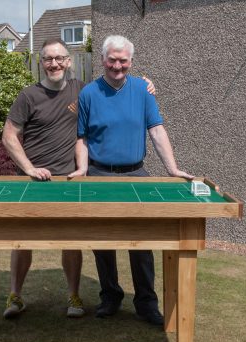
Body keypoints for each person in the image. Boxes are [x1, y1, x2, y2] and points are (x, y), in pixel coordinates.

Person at [2, 38, 156, 320]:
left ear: (69, 61)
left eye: (60, 58)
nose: (54, 63)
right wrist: (27, 168)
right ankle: (15, 295)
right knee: (21, 240)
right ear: (41, 62)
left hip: (69, 179)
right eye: (48, 59)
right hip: (34, 180)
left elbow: (115, 83)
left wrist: (144, 83)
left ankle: (74, 296)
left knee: (71, 240)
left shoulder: (82, 90)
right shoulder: (28, 96)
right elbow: (9, 136)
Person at [73, 35, 194, 326]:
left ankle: (146, 303)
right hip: (99, 175)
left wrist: (172, 169)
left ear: (130, 61)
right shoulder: (89, 94)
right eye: (112, 60)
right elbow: (83, 138)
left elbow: (157, 131)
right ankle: (110, 297)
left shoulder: (143, 89)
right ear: (102, 60)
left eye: (123, 60)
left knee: (142, 241)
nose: (117, 65)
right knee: (102, 241)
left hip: (136, 174)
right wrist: (81, 168)